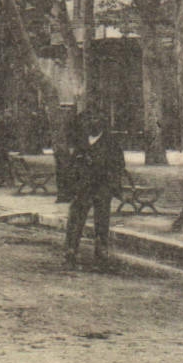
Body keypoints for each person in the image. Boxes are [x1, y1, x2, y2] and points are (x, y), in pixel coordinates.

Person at [65, 112, 122, 268]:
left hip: (102, 187)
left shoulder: (111, 142)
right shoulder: (82, 142)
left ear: (102, 122)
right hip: (83, 187)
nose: (92, 122)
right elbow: (73, 164)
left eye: (95, 118)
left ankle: (101, 249)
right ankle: (71, 248)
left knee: (102, 219)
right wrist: (74, 183)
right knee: (76, 217)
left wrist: (110, 185)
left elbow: (118, 165)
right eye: (89, 119)